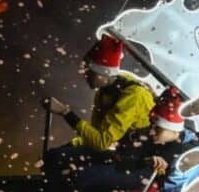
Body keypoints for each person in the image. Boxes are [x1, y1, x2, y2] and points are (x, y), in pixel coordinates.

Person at [43, 36, 156, 174]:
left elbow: (102, 142)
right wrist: (72, 144)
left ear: (104, 74)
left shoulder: (133, 96)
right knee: (53, 156)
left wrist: (66, 113)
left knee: (68, 166)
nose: (85, 75)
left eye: (90, 72)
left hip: (133, 159)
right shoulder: (104, 92)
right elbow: (96, 133)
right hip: (116, 149)